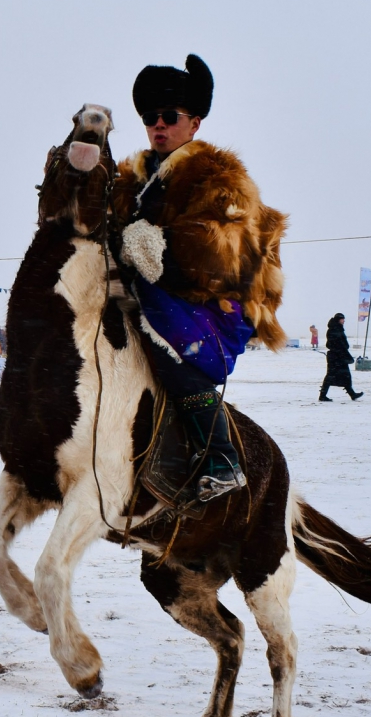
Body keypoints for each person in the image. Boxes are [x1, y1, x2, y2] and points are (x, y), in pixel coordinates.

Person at [110, 57, 287, 507]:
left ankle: (221, 457)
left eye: (170, 117)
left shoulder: (218, 176)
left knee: (161, 340)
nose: (159, 125)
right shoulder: (132, 181)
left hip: (215, 305)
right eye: (151, 118)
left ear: (194, 123)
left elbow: (225, 250)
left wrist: (151, 246)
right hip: (151, 295)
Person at [320, 314, 362, 401]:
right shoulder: (333, 329)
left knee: (345, 375)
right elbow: (332, 344)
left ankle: (352, 394)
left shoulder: (338, 328)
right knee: (331, 376)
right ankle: (322, 396)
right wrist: (341, 350)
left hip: (340, 356)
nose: (344, 321)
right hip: (336, 357)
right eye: (342, 319)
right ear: (338, 320)